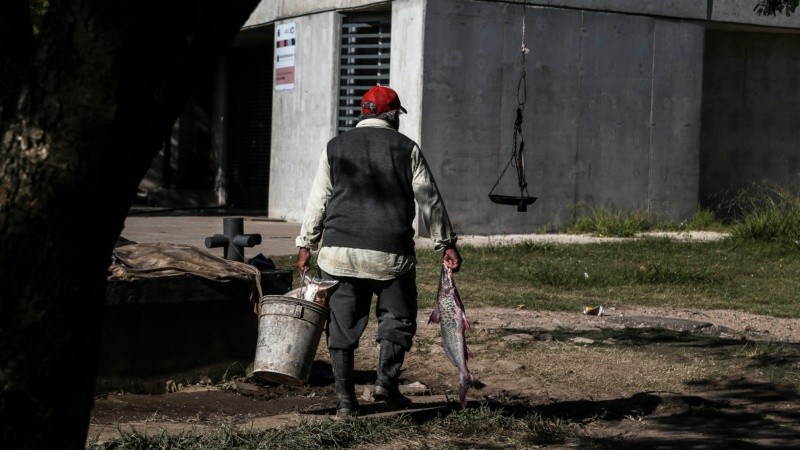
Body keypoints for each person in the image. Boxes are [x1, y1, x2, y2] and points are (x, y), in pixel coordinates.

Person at [294, 85, 462, 417]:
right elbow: (429, 199)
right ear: (392, 115)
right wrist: (446, 243)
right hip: (392, 257)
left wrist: (305, 244)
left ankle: (345, 402)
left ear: (364, 113)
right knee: (397, 319)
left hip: (338, 255)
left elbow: (318, 201)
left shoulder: (335, 147)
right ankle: (385, 383)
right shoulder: (407, 148)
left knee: (341, 327)